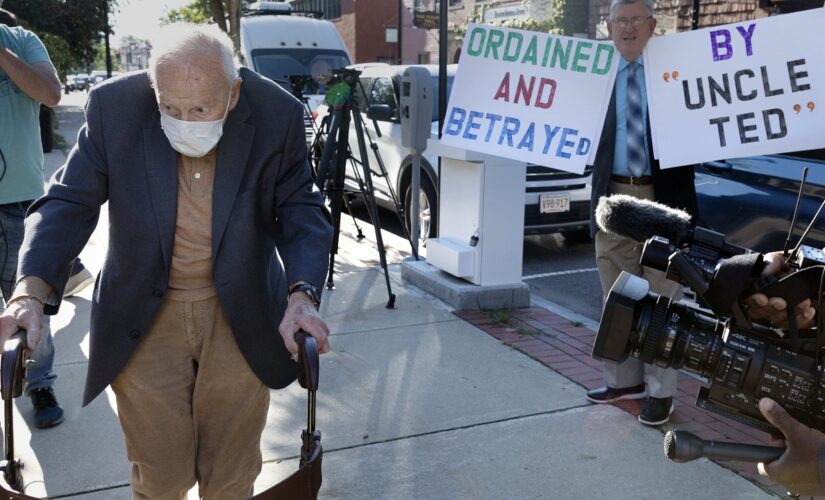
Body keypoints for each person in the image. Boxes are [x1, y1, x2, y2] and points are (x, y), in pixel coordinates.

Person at [0, 23, 333, 497]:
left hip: (240, 308)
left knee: (231, 475)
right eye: (170, 108)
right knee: (160, 477)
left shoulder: (276, 112)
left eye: (201, 109)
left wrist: (302, 295)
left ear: (233, 93)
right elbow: (68, 203)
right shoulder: (115, 108)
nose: (184, 121)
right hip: (143, 310)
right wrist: (29, 293)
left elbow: (301, 207)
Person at [585, 0, 699, 426]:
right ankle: (622, 382)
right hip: (613, 197)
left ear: (652, 26)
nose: (628, 28)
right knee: (616, 294)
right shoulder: (593, 77)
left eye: (636, 20)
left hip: (663, 198)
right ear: (608, 26)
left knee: (663, 298)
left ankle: (661, 393)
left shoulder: (678, 74)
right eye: (621, 21)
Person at [0, 6, 65, 428]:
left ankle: (41, 384)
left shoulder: (21, 42)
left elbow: (51, 93)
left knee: (28, 304)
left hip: (19, 202)